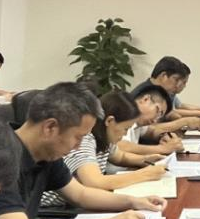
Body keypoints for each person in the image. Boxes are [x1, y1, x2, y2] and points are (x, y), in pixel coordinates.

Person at [0, 82, 165, 219]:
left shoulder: (45, 153)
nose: (78, 146)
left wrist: (133, 201)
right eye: (78, 137)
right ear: (50, 127)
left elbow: (80, 194)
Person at [41, 87, 170, 207]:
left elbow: (120, 157)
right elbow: (95, 182)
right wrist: (145, 174)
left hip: (75, 204)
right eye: (125, 129)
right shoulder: (85, 139)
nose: (125, 134)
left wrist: (146, 160)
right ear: (109, 121)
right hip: (55, 212)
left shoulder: (104, 138)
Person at [126, 57, 200, 139]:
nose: (178, 85)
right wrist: (184, 122)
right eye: (176, 80)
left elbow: (171, 114)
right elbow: (149, 129)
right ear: (163, 75)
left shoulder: (162, 92)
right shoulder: (145, 93)